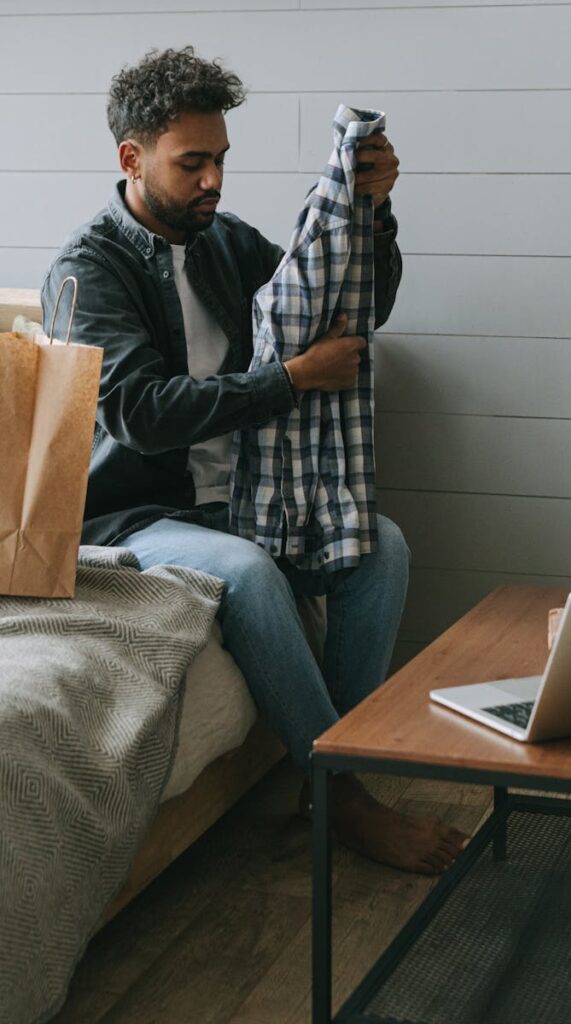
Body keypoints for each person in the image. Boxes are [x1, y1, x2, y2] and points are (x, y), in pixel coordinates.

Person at [41, 46, 466, 875]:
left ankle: (330, 773)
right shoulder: (88, 269)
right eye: (191, 163)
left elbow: (350, 297)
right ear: (132, 158)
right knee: (247, 570)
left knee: (380, 547)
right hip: (137, 517)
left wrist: (372, 213)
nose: (213, 182)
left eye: (221, 160)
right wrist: (287, 381)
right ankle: (342, 791)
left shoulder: (226, 243)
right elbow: (139, 415)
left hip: (243, 492)